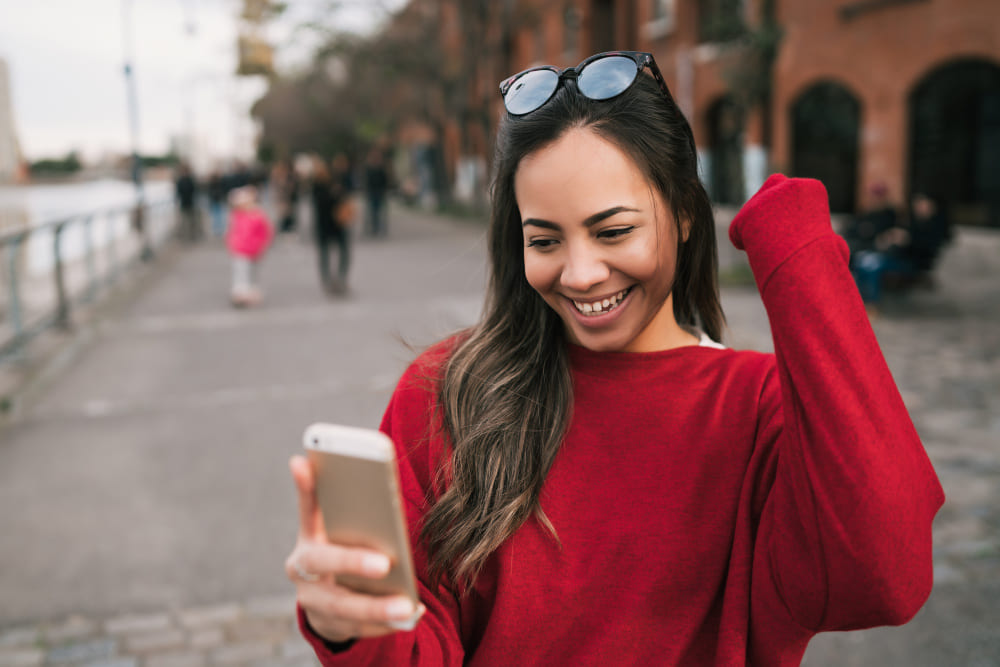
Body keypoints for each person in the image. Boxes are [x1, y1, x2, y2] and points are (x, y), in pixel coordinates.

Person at [285, 51, 944, 665]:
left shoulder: (759, 409)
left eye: (613, 230)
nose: (579, 272)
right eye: (544, 239)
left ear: (686, 213)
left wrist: (795, 248)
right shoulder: (444, 390)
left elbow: (883, 577)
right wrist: (357, 625)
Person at [311, 156, 352, 296]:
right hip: (324, 224)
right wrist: (334, 194)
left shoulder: (337, 181)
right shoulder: (317, 185)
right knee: (325, 254)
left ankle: (340, 278)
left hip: (338, 223)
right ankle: (327, 280)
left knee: (343, 252)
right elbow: (321, 203)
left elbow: (344, 197)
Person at [225, 186, 273, 307]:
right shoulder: (237, 215)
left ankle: (248, 292)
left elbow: (266, 232)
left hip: (253, 249)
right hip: (240, 249)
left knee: (251, 273)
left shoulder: (257, 215)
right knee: (241, 272)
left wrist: (262, 245)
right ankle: (241, 293)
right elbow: (232, 231)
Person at [363, 147, 391, 237]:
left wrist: (384, 189)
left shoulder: (381, 167)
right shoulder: (369, 167)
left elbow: (385, 180)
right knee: (373, 211)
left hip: (379, 192)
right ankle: (375, 228)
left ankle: (380, 228)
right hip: (372, 192)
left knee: (380, 211)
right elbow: (367, 180)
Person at [174, 163, 201, 242]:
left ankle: (191, 235)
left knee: (191, 220)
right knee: (185, 221)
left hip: (190, 203)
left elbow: (195, 190)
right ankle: (186, 236)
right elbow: (178, 192)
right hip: (184, 203)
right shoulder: (181, 180)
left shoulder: (189, 180)